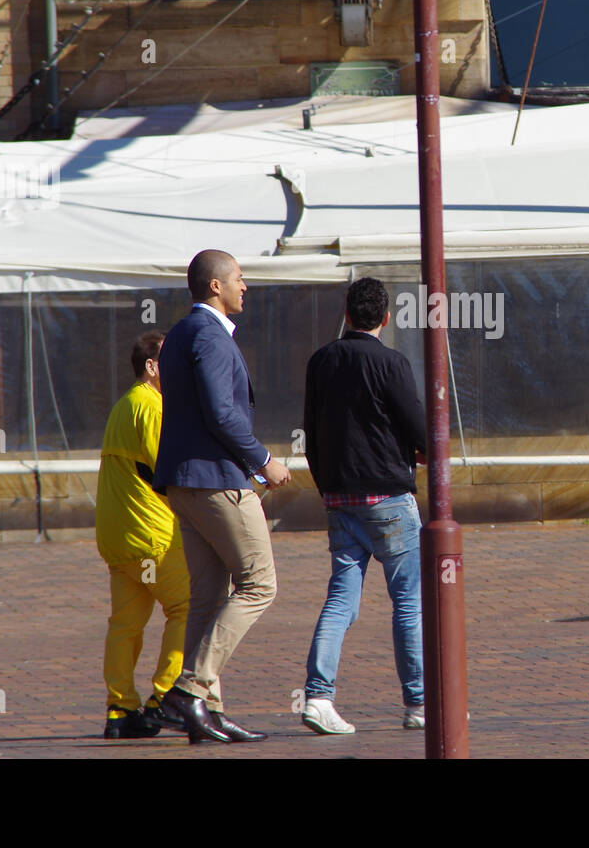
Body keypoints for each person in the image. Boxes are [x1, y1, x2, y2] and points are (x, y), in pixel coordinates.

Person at [152, 249, 290, 744]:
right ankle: (189, 689)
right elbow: (220, 414)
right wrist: (264, 461)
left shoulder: (181, 335)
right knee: (259, 584)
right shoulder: (208, 335)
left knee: (207, 597)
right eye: (238, 279)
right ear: (216, 286)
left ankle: (204, 712)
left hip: (184, 482)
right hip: (218, 480)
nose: (245, 287)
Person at [300, 277, 428, 735]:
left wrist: (325, 486)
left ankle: (318, 696)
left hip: (339, 498)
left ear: (347, 314)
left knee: (340, 599)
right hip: (389, 499)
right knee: (408, 602)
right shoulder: (392, 363)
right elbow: (419, 429)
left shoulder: (321, 361)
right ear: (386, 318)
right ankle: (418, 704)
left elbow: (311, 430)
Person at [96, 331, 185, 740]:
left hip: (118, 537)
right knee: (189, 607)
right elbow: (171, 470)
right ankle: (166, 697)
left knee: (125, 624)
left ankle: (120, 708)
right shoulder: (150, 406)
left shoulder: (122, 406)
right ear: (152, 367)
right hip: (153, 538)